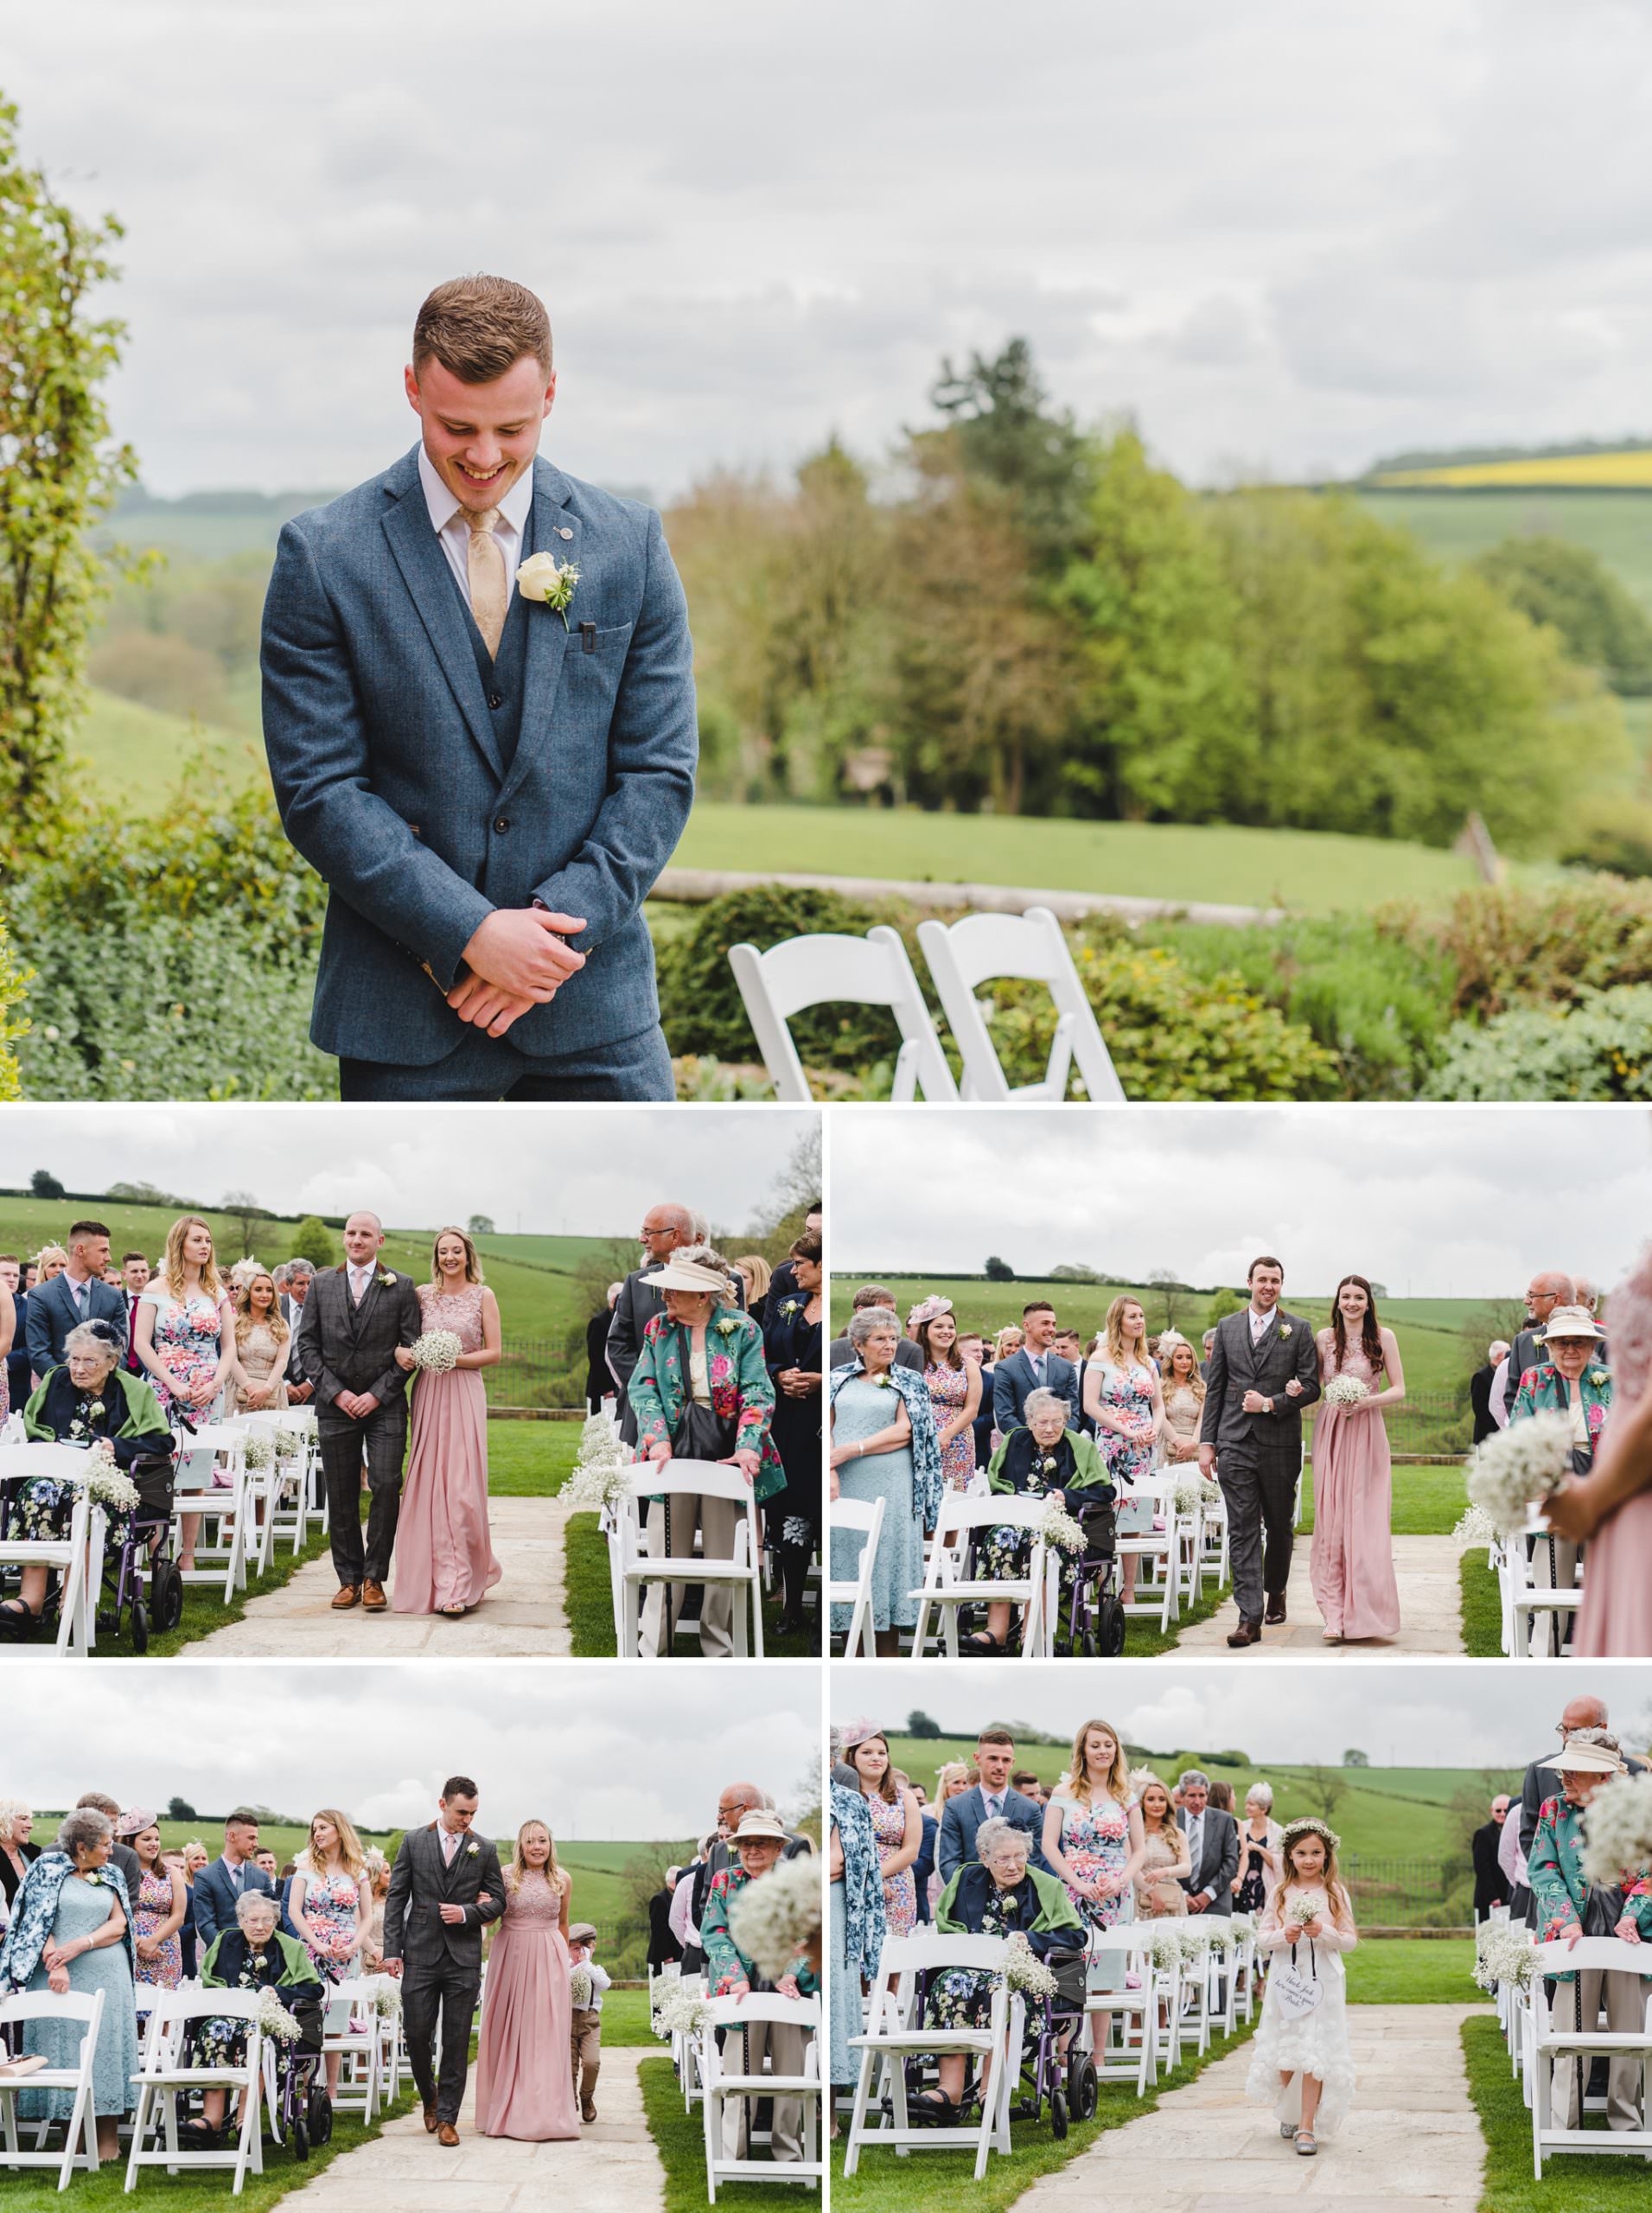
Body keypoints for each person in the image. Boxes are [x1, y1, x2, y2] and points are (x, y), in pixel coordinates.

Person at [261, 272, 697, 1102]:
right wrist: (469, 932)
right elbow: (320, 791)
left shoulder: (629, 544)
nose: (485, 457)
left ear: (552, 395)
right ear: (412, 388)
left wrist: (546, 942)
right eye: (455, 427)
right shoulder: (322, 557)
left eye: (513, 428)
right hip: (406, 1016)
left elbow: (659, 772)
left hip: (593, 1010)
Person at [628, 1244, 781, 1657]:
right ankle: (654, 1646)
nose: (665, 1296)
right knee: (665, 1558)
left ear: (703, 1294)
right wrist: (656, 1438)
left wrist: (749, 1448)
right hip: (670, 1456)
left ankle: (719, 1648)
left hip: (725, 1457)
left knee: (723, 1560)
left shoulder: (743, 1328)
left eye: (674, 1289)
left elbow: (757, 1392)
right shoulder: (659, 1329)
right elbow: (643, 1387)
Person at [4, 1321, 172, 1636]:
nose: (79, 1369)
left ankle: (74, 1603)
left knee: (84, 1499)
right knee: (37, 1492)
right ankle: (31, 1600)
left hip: (108, 1481)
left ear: (111, 1362)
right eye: (74, 1359)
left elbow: (162, 1443)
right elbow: (35, 1429)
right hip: (56, 1475)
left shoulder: (134, 1391)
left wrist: (117, 1446)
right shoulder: (56, 1382)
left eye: (89, 1361)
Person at [293, 1210, 424, 1613]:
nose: (356, 1240)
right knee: (342, 1492)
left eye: (365, 1234)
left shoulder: (401, 1287)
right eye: (351, 1233)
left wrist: (376, 1394)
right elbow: (308, 1347)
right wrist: (335, 1393)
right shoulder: (320, 1284)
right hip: (335, 1406)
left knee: (385, 1484)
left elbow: (410, 1350)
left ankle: (374, 1578)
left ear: (379, 1241)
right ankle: (347, 1579)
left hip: (384, 1406)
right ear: (344, 1238)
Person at [0, 1806, 139, 2165]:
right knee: (62, 2049)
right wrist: (56, 1960)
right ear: (82, 1846)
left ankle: (109, 2138)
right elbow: (34, 1921)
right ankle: (71, 2138)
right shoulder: (46, 1871)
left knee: (106, 2051)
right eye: (106, 1844)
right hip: (56, 1974)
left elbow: (119, 1925)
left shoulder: (110, 1874)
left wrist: (81, 1944)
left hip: (108, 1974)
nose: (111, 1851)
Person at [919, 1817, 1084, 2121]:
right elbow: (946, 1925)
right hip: (971, 1970)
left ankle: (988, 2090)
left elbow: (1075, 1935)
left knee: (1002, 1991)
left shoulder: (1045, 1886)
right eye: (1003, 1859)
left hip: (1021, 1978)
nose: (1013, 1865)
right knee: (948, 1982)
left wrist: (1030, 1938)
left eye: (1019, 1856)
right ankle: (949, 2090)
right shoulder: (966, 1881)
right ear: (985, 1859)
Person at [1528, 1731, 1652, 2133]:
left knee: (1629, 2034)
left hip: (1628, 1935)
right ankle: (1565, 2123)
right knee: (1569, 2033)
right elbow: (1543, 1869)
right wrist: (1566, 1918)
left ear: (1602, 1776)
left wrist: (1633, 1915)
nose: (1563, 1775)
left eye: (1574, 1769)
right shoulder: (1553, 1810)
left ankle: (1626, 2122)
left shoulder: (1639, 1812)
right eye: (1563, 1766)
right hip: (1573, 1936)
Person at [1199, 1256, 1322, 1648]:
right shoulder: (1227, 1328)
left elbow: (1311, 1387)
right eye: (1262, 1279)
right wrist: (1207, 1444)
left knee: (1280, 1524)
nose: (1268, 1286)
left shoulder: (1298, 1330)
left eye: (1275, 1280)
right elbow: (1215, 1389)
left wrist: (1270, 1403)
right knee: (1242, 1528)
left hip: (1280, 1443)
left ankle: (1277, 1588)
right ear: (1249, 1282)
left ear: (1281, 1285)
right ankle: (1248, 1618)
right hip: (1234, 1442)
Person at [382, 1776, 506, 2146]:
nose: (467, 1819)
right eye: (461, 1812)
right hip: (419, 1952)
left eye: (473, 1813)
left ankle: (449, 2118)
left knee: (455, 2041)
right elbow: (396, 1898)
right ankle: (430, 2094)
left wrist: (467, 1912)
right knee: (416, 2034)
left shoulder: (484, 1849)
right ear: (442, 1805)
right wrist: (392, 1950)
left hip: (463, 1957)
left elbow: (499, 1901)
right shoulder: (413, 1841)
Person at [392, 1226, 504, 1617]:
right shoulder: (422, 1296)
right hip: (428, 1391)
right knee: (426, 1484)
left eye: (457, 1251)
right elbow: (401, 1340)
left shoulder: (483, 1296)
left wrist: (452, 1358)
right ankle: (436, 1583)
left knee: (460, 1487)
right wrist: (405, 1353)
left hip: (465, 1391)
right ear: (436, 1256)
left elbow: (494, 1353)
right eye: (444, 1252)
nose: (450, 1257)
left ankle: (463, 1578)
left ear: (468, 1256)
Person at [700, 1809, 819, 2166]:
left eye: (761, 1843)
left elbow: (808, 1931)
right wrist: (735, 1975)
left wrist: (793, 1973)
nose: (753, 1850)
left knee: (791, 2077)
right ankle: (732, 2156)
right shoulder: (724, 1881)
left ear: (778, 1846)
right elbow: (714, 1933)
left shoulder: (794, 1884)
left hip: (788, 1990)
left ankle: (788, 2155)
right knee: (738, 2077)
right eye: (747, 1843)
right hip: (741, 1992)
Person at [829, 1308, 941, 1655]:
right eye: (880, 1339)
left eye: (893, 1338)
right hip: (844, 1481)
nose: (890, 1345)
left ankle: (888, 1648)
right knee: (849, 1555)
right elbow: (826, 1427)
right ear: (858, 1344)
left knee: (885, 1557)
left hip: (892, 1481)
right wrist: (830, 1468)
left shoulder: (909, 1380)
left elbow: (905, 1431)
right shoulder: (839, 1378)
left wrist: (852, 1450)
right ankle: (852, 1648)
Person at [1246, 1816, 1358, 2156]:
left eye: (1316, 1853)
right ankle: (1291, 2110)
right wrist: (1285, 1934)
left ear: (1327, 1856)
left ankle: (1306, 2124)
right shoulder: (1280, 1893)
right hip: (1287, 1980)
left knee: (1315, 2051)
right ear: (1289, 1856)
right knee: (1286, 2050)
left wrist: (1323, 1932)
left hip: (1323, 1980)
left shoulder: (1335, 1892)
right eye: (1301, 1853)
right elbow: (1263, 1939)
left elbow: (1350, 1941)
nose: (1309, 1860)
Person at [970, 1387, 1113, 1652]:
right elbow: (998, 1485)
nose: (1049, 1428)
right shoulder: (1015, 1441)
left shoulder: (1081, 1447)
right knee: (1002, 1537)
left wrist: (1067, 1496)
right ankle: (997, 1631)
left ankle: (1033, 1630)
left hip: (1061, 1528)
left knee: (1040, 1544)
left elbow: (1105, 1490)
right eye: (1042, 1422)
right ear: (1030, 1422)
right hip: (1016, 1523)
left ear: (1065, 1421)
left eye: (1056, 1422)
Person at [134, 1215, 238, 1572]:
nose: (205, 1246)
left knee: (196, 1477)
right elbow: (141, 1344)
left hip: (207, 1391)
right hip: (165, 1389)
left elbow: (228, 1348)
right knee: (158, 1473)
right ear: (180, 1243)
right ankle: (156, 1552)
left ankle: (188, 1553)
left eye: (208, 1240)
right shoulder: (156, 1289)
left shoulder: (217, 1293)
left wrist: (214, 1385)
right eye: (197, 1240)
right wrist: (172, 1383)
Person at [1309, 1275, 1406, 1644]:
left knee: (1364, 1521)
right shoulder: (1324, 1338)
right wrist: (1296, 1389)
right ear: (1337, 1301)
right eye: (1346, 1296)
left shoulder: (1385, 1337)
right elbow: (1315, 1384)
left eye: (1359, 1297)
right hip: (1331, 1430)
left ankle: (1365, 1612)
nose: (1352, 1303)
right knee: (1331, 1519)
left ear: (1368, 1303)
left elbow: (1399, 1389)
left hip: (1367, 1429)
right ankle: (1333, 1614)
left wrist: (1366, 1401)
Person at [193, 1890, 327, 2145]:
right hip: (229, 2016)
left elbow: (313, 1988)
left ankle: (245, 2118)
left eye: (267, 1920)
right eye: (253, 1920)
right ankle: (212, 2118)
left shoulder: (289, 1947)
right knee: (214, 2029)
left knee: (257, 2036)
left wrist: (277, 1992)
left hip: (269, 2021)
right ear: (241, 1921)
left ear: (275, 1922)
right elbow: (209, 1982)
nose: (259, 1926)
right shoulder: (225, 1942)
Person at [475, 1818, 579, 2141]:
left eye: (543, 1841)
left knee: (545, 2033)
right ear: (521, 1845)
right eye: (531, 1841)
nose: (537, 1847)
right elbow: (490, 1920)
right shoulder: (505, 1876)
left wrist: (566, 1961)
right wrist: (482, 1904)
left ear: (551, 1845)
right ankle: (506, 2110)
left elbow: (563, 1923)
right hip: (511, 1956)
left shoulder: (563, 1879)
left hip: (549, 1957)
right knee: (510, 2030)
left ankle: (544, 2112)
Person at [1084, 1295, 1165, 1607]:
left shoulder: (1148, 1362)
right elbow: (1089, 1404)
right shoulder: (1101, 1358)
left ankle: (1129, 1588)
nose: (1140, 1321)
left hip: (1144, 1446)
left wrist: (1154, 1429)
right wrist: (1126, 1429)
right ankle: (1104, 1585)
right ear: (1117, 1320)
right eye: (1132, 1316)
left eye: (1142, 1316)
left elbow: (1157, 1405)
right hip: (1112, 1445)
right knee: (1109, 1516)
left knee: (1136, 1518)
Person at [762, 1234, 824, 1637]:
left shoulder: (843, 1313)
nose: (793, 1270)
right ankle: (791, 1606)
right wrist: (778, 1375)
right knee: (790, 1514)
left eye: (801, 1263)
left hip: (825, 1424)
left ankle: (823, 1610)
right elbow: (763, 1350)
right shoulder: (788, 1306)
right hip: (787, 1424)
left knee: (823, 1513)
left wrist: (823, 1380)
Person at [290, 1808, 371, 2101]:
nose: (318, 1834)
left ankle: (332, 2090)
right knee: (307, 2022)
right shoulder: (305, 1867)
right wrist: (315, 1943)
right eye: (314, 1829)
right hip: (313, 1953)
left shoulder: (357, 1870)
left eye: (323, 1827)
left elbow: (367, 1917)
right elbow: (294, 1911)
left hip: (346, 1956)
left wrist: (354, 1944)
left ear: (339, 1830)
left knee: (336, 2024)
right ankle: (303, 2088)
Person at [1042, 1717, 1145, 1938]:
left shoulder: (1127, 1797)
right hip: (1075, 1890)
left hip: (1116, 1892)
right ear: (1083, 1751)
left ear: (1116, 1750)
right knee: (1074, 1961)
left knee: (1113, 1957)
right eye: (1095, 1745)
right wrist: (1078, 1884)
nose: (1103, 1751)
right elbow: (1049, 1845)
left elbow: (1140, 1851)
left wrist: (1121, 1881)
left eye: (1108, 1745)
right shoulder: (1062, 1793)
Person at [830, 1776, 885, 2134]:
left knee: (834, 2001)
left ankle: (829, 2112)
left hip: (835, 1910)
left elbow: (840, 1862)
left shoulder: (848, 1802)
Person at [842, 1724, 922, 1941]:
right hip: (854, 1882)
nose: (876, 1758)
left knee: (893, 1956)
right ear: (852, 1758)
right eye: (867, 1752)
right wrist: (864, 1879)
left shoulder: (904, 1797)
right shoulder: (843, 1798)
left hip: (897, 1885)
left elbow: (912, 1849)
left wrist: (876, 1875)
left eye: (881, 1753)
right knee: (857, 1959)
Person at [937, 1726, 1047, 1880]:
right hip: (968, 1897)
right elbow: (949, 1862)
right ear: (977, 1759)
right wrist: (970, 1895)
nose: (1000, 1766)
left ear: (1012, 1762)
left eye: (1006, 1760)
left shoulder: (1030, 1809)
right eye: (993, 1758)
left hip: (1017, 1900)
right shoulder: (955, 1807)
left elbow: (1034, 1862)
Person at [23, 1220, 125, 1379]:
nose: (109, 1258)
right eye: (103, 1250)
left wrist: (102, 1382)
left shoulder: (113, 1296)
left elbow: (120, 1347)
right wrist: (70, 1385)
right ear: (81, 1250)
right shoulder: (41, 1295)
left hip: (105, 1391)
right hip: (59, 1390)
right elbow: (39, 1352)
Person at [910, 1297, 981, 1494]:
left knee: (953, 1500)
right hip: (920, 1438)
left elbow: (972, 1409)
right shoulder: (914, 1362)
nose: (946, 1332)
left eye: (951, 1327)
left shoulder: (968, 1364)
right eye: (939, 1326)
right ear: (925, 1330)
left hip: (957, 1441)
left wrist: (946, 1434)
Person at [1493, 1271, 1576, 1428]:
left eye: (1532, 1295)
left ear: (1555, 1299)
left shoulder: (1600, 1340)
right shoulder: (1522, 1342)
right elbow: (1512, 1396)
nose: (1526, 1301)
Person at [119, 1811, 187, 1991]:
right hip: (129, 1945)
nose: (154, 1844)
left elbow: (179, 1916)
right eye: (147, 1839)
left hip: (164, 1949)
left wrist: (153, 1941)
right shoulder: (120, 1872)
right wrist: (137, 1942)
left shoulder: (171, 1872)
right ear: (130, 1841)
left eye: (157, 1839)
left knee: (161, 2007)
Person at [193, 1812, 277, 1952]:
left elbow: (272, 1917)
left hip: (259, 1955)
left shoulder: (261, 1877)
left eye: (256, 1838)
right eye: (251, 1838)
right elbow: (206, 1924)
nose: (256, 1844)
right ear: (231, 1836)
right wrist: (228, 1952)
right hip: (221, 1956)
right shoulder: (205, 1876)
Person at [992, 1302, 1080, 1432]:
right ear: (1027, 1326)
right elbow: (1005, 1416)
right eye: (1045, 1323)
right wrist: (1034, 1441)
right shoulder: (1005, 1368)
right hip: (1023, 1446)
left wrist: (1057, 1439)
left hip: (1060, 1446)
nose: (1052, 1330)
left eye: (1054, 1324)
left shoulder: (1066, 1367)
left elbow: (1073, 1414)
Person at [1177, 1770, 1239, 1916]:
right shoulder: (1171, 1819)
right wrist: (1182, 1894)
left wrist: (1208, 1893)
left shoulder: (1224, 1820)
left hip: (1216, 1901)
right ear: (1182, 1796)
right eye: (1192, 1795)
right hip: (1178, 1900)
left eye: (1202, 1795)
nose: (1197, 1801)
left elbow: (1231, 1861)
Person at [567, 1922, 611, 2124]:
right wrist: (575, 1965)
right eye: (574, 1948)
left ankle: (587, 2097)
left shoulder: (595, 1969)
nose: (578, 1953)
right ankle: (571, 2102)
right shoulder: (564, 1969)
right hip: (567, 2022)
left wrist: (585, 1963)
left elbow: (605, 1984)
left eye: (582, 1949)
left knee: (592, 2063)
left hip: (590, 2023)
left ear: (591, 1948)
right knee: (570, 2067)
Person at [230, 1269, 291, 1413]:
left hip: (271, 1390)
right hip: (239, 1388)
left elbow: (282, 1361)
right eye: (258, 1290)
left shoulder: (281, 1325)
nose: (265, 1295)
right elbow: (231, 1359)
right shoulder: (234, 1322)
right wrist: (250, 1390)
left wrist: (266, 1391)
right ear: (248, 1292)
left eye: (269, 1290)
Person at [829, 1286, 924, 1373]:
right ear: (861, 1311)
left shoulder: (910, 1351)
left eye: (893, 1311)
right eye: (884, 1311)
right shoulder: (834, 1348)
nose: (891, 1317)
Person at [1133, 1776, 1192, 1916]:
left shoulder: (1178, 1834)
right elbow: (1132, 1869)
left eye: (1162, 1799)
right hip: (1143, 1899)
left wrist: (1165, 1872)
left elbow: (1187, 1868)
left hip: (1171, 1900)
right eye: (1151, 1799)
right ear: (1142, 1803)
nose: (1157, 1804)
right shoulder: (1135, 1833)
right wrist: (1152, 1894)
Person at [1234, 1783, 1285, 1915]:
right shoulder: (1242, 1827)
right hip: (1243, 1883)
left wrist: (1260, 1849)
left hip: (1265, 1885)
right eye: (1247, 1803)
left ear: (1264, 1809)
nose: (1247, 1807)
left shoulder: (1277, 1831)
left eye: (1252, 1804)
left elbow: (1280, 1863)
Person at [1159, 1332, 1206, 1462]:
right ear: (1171, 1359)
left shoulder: (1202, 1387)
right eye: (1179, 1357)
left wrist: (1193, 1444)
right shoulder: (1161, 1386)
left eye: (1189, 1357)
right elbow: (1160, 1418)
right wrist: (1178, 1442)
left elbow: (1203, 1419)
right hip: (1168, 1444)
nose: (1185, 1362)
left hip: (1194, 1444)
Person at [1472, 1795, 1513, 1921]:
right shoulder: (1483, 1834)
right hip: (1490, 1898)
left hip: (1509, 1896)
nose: (1502, 1814)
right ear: (1491, 1810)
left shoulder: (1515, 1832)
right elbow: (1482, 1868)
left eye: (1506, 1810)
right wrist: (1492, 1896)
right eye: (1498, 1810)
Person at [0, 1798, 40, 1913]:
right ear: (4, 1821)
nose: (30, 1825)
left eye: (30, 1819)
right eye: (23, 1819)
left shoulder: (37, 1855)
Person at [585, 1284, 621, 1412]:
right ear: (613, 1300)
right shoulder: (599, 1322)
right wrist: (607, 1388)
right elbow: (596, 1358)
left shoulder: (620, 1319)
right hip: (603, 1390)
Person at [1470, 1340, 1509, 1445]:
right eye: (1508, 1352)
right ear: (1501, 1355)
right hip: (1487, 1433)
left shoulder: (1507, 1373)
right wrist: (1497, 1428)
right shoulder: (1481, 1376)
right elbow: (1479, 1408)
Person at [360, 1849, 392, 1969]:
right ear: (376, 1874)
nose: (391, 1876)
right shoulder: (360, 1899)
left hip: (387, 1957)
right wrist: (375, 1953)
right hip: (365, 1955)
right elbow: (359, 1928)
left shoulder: (391, 1900)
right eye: (387, 1872)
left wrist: (389, 1956)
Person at [732, 1253, 772, 1328]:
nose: (736, 1281)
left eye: (743, 1277)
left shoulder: (766, 1313)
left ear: (758, 1280)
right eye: (735, 1276)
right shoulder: (729, 1309)